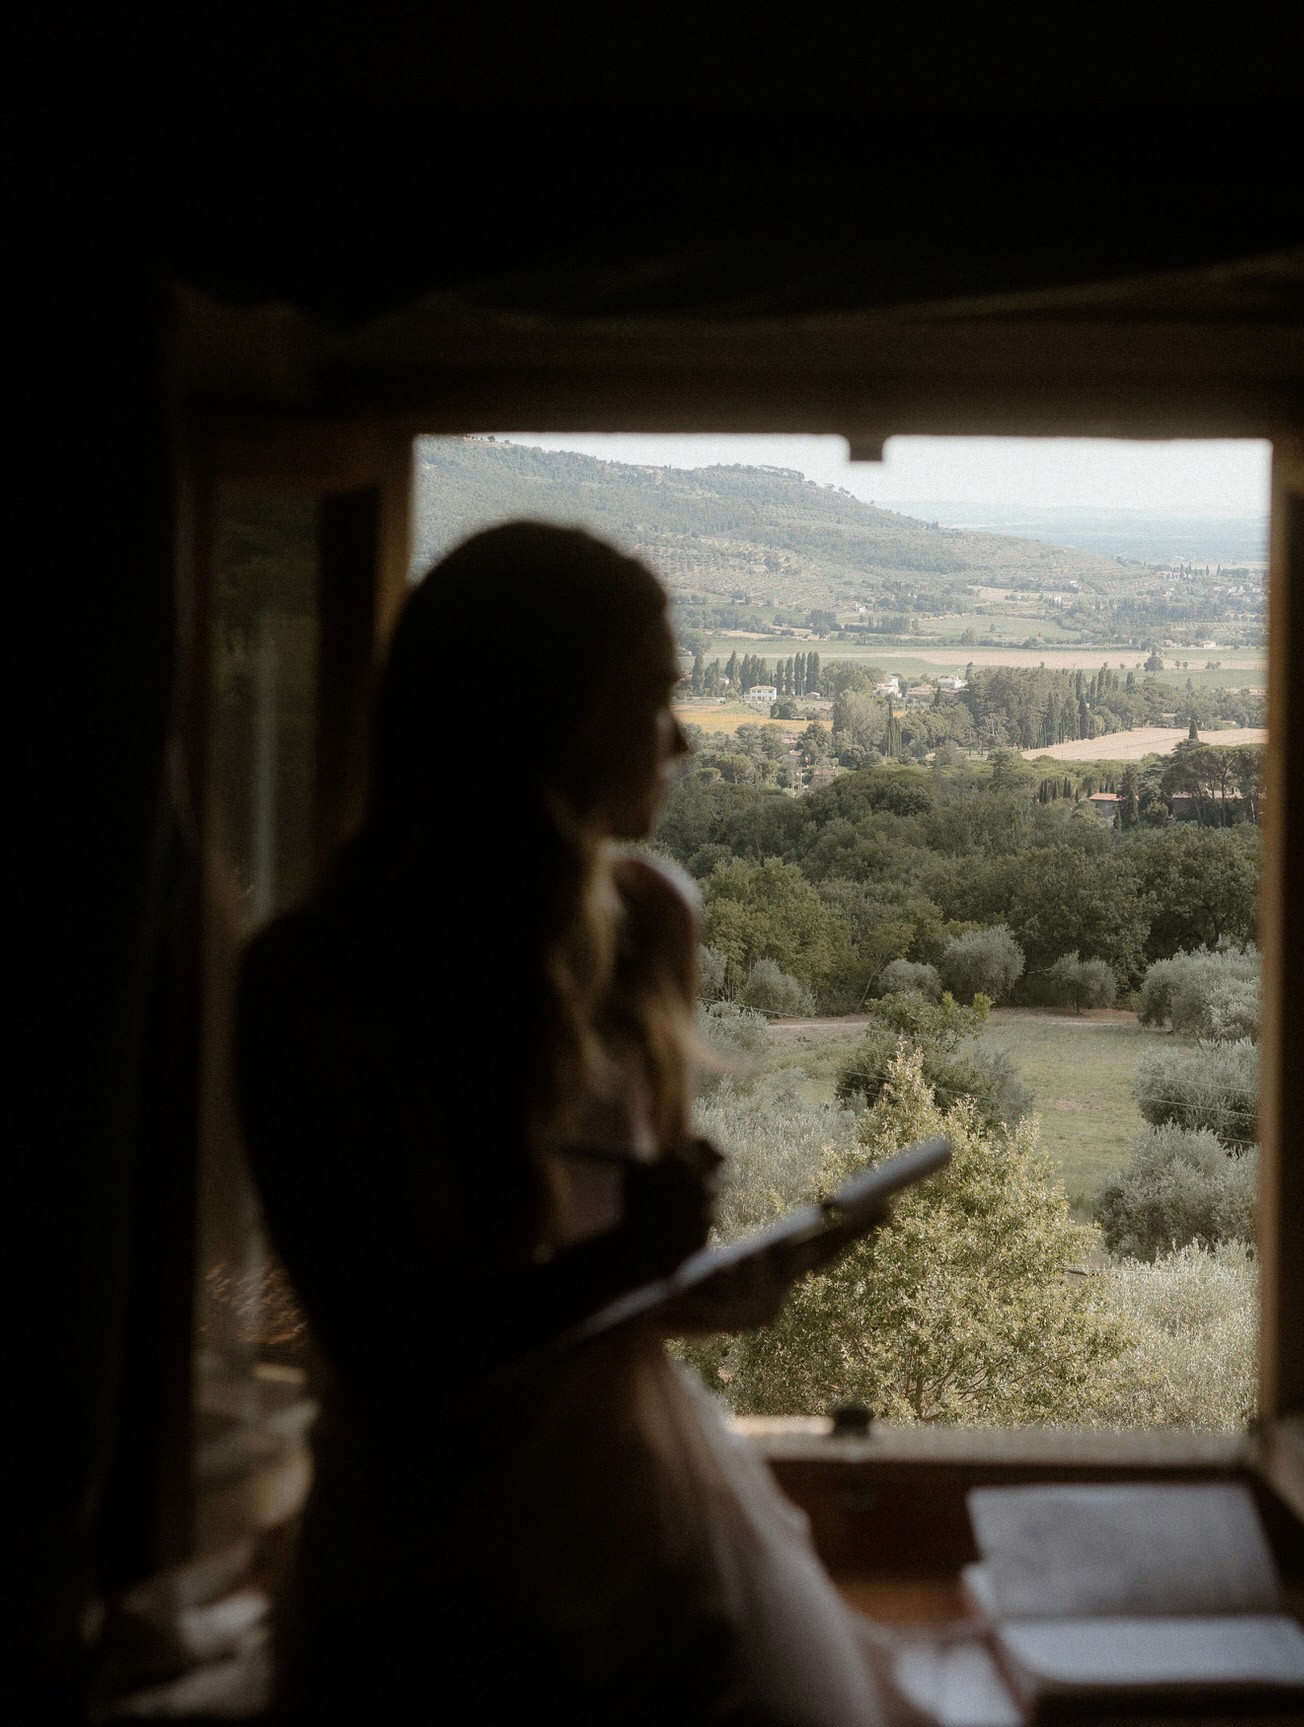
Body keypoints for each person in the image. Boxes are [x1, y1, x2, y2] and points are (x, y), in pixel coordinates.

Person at [236, 524, 920, 1725]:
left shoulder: (653, 921)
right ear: (545, 718)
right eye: (655, 696)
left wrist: (711, 1283)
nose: (684, 737)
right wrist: (632, 1261)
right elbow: (389, 1348)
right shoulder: (310, 978)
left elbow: (606, 1293)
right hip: (424, 1545)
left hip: (632, 1489)